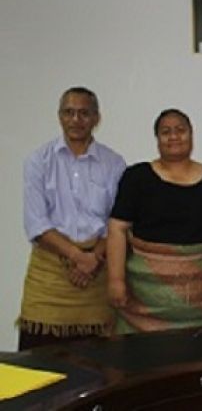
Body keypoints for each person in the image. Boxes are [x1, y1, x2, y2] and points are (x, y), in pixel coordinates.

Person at [107, 109, 202, 334]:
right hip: (141, 300)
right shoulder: (136, 177)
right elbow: (117, 229)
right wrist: (116, 280)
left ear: (191, 135)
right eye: (166, 132)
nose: (174, 137)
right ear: (157, 139)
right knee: (140, 365)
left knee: (200, 360)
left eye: (180, 130)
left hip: (201, 302)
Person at [18, 87, 126, 350]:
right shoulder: (38, 161)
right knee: (39, 365)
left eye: (84, 113)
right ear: (59, 116)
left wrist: (94, 259)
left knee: (99, 368)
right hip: (50, 275)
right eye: (69, 112)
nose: (76, 120)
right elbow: (37, 223)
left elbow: (118, 223)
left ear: (96, 118)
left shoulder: (114, 164)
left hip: (98, 274)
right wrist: (79, 258)